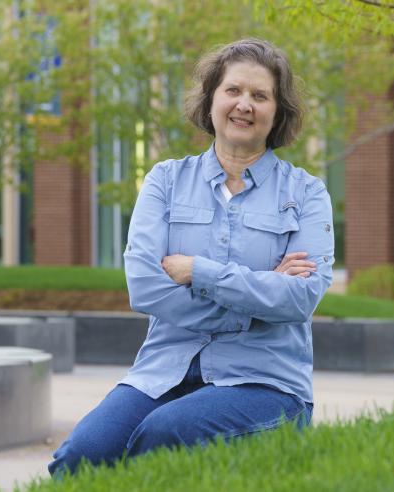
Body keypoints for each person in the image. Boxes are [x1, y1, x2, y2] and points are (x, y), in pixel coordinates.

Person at [48, 38, 334, 476]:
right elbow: (144, 287)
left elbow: (300, 299)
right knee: (79, 457)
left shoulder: (306, 194)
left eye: (260, 96)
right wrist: (256, 300)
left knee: (164, 435)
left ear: (278, 112)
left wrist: (198, 271)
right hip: (163, 371)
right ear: (211, 98)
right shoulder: (165, 181)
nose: (244, 105)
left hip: (265, 382)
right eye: (233, 90)